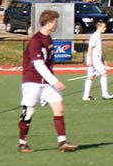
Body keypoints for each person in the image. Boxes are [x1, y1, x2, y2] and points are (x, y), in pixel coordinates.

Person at [17, 10, 78, 153]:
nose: (56, 24)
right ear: (49, 22)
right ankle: (22, 143)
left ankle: (62, 142)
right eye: (55, 21)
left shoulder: (48, 38)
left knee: (59, 107)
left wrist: (51, 81)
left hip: (47, 83)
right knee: (29, 112)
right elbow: (38, 65)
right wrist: (55, 81)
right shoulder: (35, 41)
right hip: (32, 81)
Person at [83, 20, 113, 101]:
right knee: (104, 73)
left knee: (90, 76)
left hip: (96, 59)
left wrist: (103, 59)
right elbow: (90, 48)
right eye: (104, 27)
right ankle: (105, 94)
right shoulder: (94, 36)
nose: (105, 28)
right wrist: (90, 60)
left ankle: (86, 95)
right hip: (94, 59)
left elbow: (99, 49)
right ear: (100, 27)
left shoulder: (98, 35)